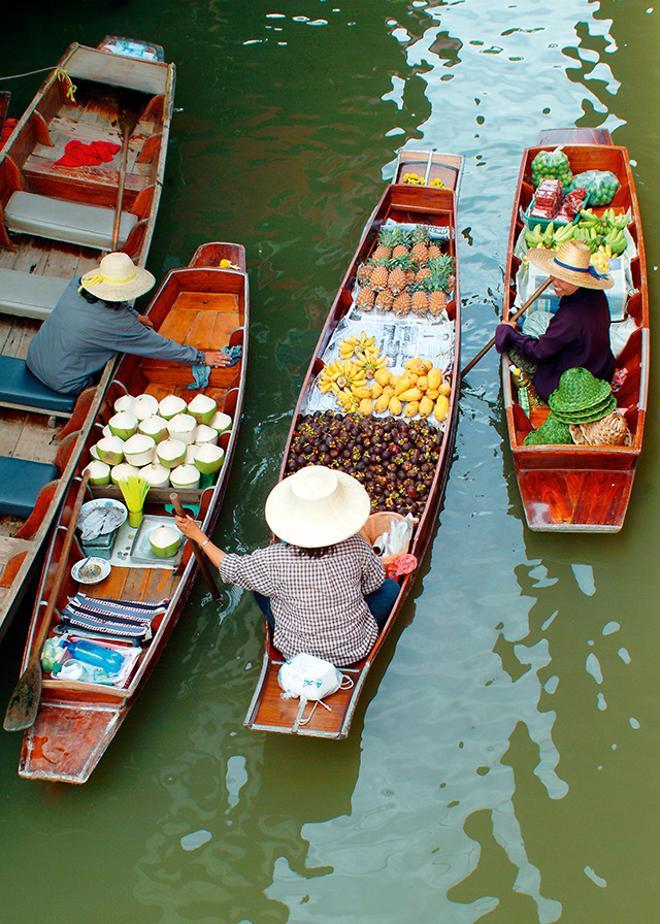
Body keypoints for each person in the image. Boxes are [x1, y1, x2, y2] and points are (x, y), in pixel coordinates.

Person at [175, 465, 400, 667]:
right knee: (390, 590)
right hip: (354, 649)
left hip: (298, 654)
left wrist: (198, 536)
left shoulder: (273, 559)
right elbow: (374, 584)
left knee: (258, 586)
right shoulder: (356, 546)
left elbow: (232, 567)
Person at [26, 251, 231, 395]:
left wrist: (133, 314)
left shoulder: (78, 286)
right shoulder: (116, 323)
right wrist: (202, 357)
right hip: (65, 383)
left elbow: (111, 303)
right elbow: (160, 347)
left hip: (34, 357)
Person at [495, 240, 615, 402]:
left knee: (513, 347)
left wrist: (511, 334)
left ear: (578, 280)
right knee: (535, 319)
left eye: (562, 279)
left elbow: (539, 353)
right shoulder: (595, 293)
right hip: (600, 365)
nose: (554, 282)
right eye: (554, 275)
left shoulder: (569, 318)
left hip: (574, 379)